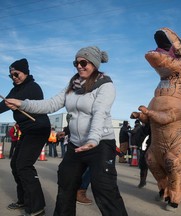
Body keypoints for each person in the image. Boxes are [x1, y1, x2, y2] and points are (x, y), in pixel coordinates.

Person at [5, 46, 128, 216]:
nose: (79, 66)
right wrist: (22, 104)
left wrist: (93, 139)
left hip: (99, 144)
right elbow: (51, 104)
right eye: (76, 63)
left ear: (94, 64)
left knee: (104, 189)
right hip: (76, 145)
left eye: (83, 62)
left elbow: (100, 113)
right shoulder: (73, 85)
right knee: (65, 184)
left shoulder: (105, 85)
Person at [0, 58, 51, 216]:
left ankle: (37, 207)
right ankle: (24, 199)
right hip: (27, 131)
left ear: (25, 72)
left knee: (24, 165)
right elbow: (3, 106)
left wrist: (16, 102)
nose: (14, 77)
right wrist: (8, 103)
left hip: (38, 129)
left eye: (16, 73)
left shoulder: (33, 87)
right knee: (15, 165)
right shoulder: (15, 90)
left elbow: (23, 100)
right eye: (11, 75)